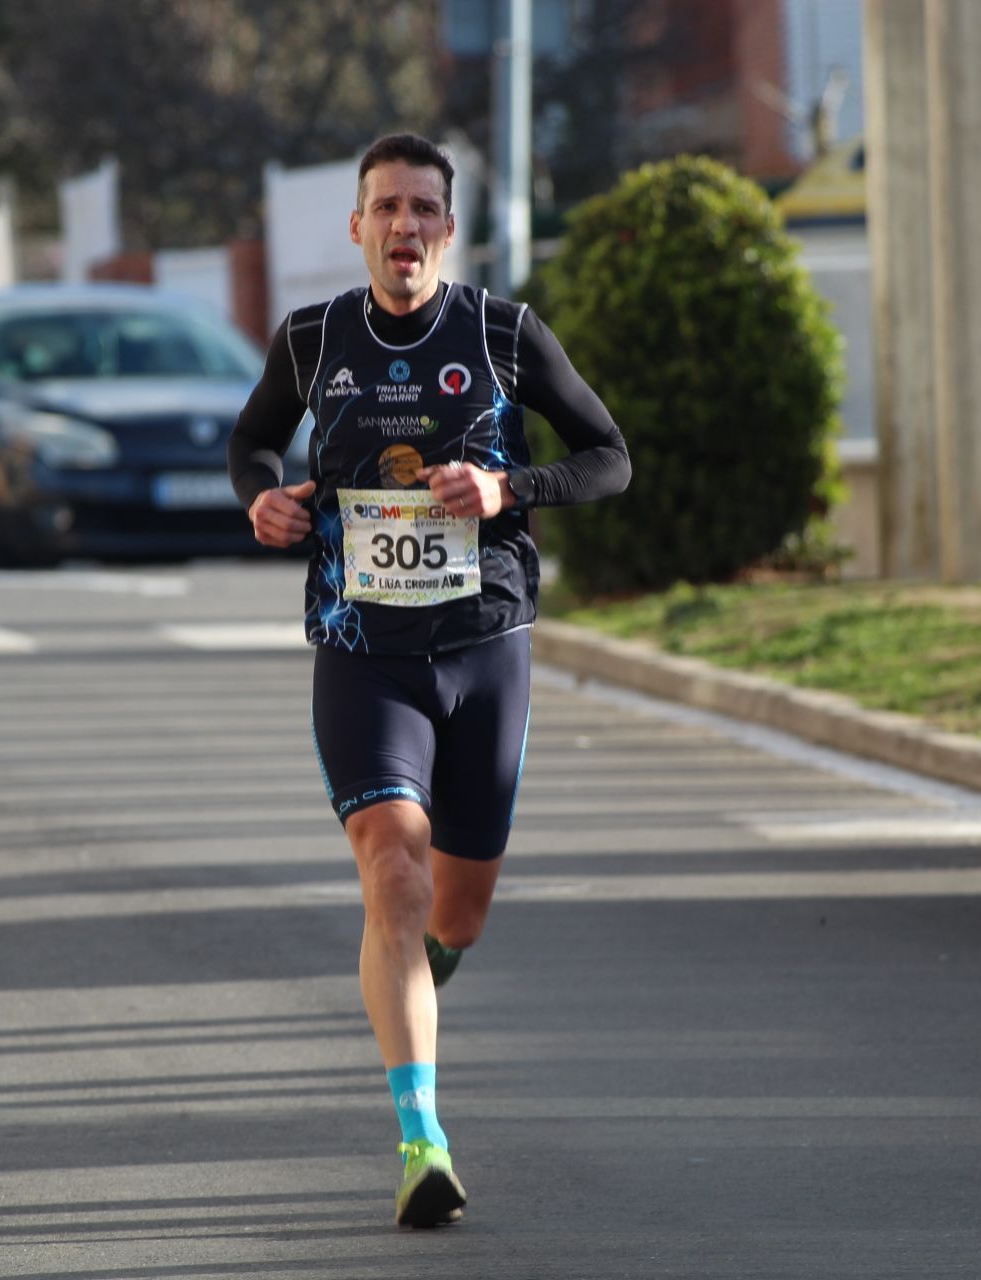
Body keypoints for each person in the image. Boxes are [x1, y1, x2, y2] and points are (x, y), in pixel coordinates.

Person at [228, 133, 630, 1228]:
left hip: (485, 647)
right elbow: (254, 442)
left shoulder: (502, 335)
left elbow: (609, 454)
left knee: (457, 904)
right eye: (385, 207)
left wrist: (508, 488)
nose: (405, 226)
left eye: (424, 208)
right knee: (393, 873)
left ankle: (420, 966)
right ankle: (422, 1137)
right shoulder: (314, 341)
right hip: (364, 655)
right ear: (358, 228)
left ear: (447, 228)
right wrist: (262, 496)